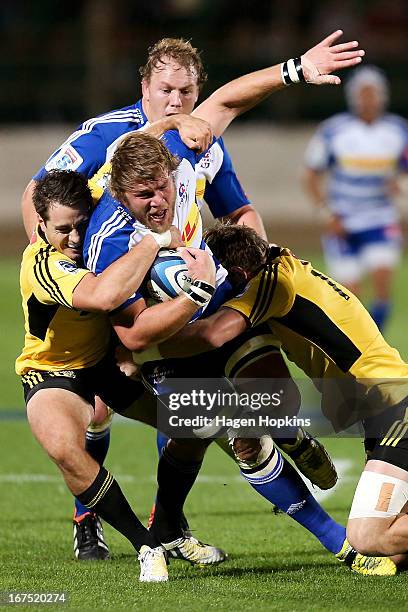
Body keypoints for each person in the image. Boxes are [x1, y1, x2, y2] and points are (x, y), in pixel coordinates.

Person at [24, 31, 364, 558]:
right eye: (166, 90)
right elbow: (38, 193)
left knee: (256, 403)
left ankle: (178, 519)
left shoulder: (191, 143)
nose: (177, 101)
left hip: (186, 294)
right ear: (145, 86)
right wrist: (57, 262)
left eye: (187, 91)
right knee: (171, 418)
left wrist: (297, 68)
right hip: (119, 303)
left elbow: (229, 124)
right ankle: (338, 543)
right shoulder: (107, 167)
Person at [144, 222, 408, 561]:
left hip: (395, 407)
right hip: (380, 414)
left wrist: (143, 347)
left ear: (239, 273)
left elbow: (214, 334)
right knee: (393, 553)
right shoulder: (285, 263)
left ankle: (293, 439)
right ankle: (293, 437)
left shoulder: (272, 283)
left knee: (368, 538)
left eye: (227, 282)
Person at [15, 169, 224, 582]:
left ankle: (166, 528)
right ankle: (144, 545)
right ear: (39, 225)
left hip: (105, 366)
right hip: (53, 372)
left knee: (194, 428)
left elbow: (128, 157)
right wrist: (158, 241)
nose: (74, 239)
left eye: (80, 225)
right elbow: (106, 295)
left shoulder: (95, 200)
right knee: (64, 449)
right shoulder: (42, 265)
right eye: (61, 230)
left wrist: (178, 118)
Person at [302, 66, 408, 332]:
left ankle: (377, 345)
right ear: (353, 96)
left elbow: (405, 173)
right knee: (352, 296)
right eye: (363, 93)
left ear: (382, 96)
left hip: (380, 217)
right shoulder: (334, 131)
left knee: (383, 286)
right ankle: (360, 346)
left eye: (373, 93)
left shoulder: (398, 130)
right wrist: (328, 215)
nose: (368, 99)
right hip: (343, 219)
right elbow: (310, 176)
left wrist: (401, 185)